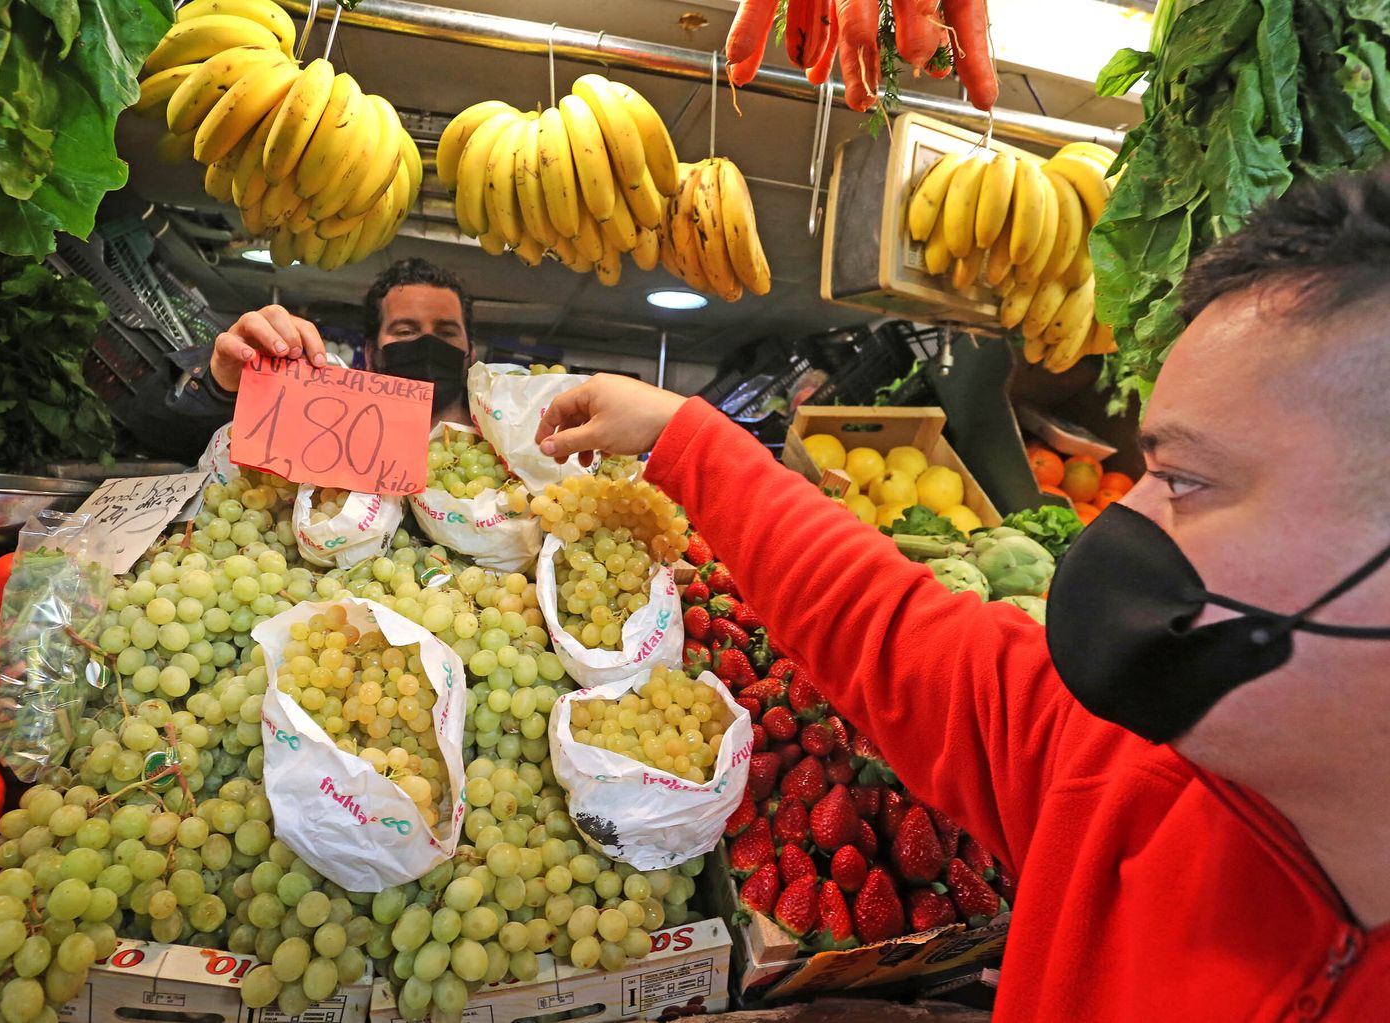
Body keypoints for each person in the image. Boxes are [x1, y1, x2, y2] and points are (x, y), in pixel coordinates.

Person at [534, 168, 1390, 1018]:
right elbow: (891, 627)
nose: (1118, 526)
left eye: (1189, 479)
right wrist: (686, 436)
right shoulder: (1112, 774)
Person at [163, 257, 477, 439]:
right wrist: (220, 389)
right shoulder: (325, 428)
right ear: (371, 354)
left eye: (446, 332)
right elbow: (173, 442)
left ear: (471, 353)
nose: (427, 344)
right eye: (406, 330)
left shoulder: (508, 441)